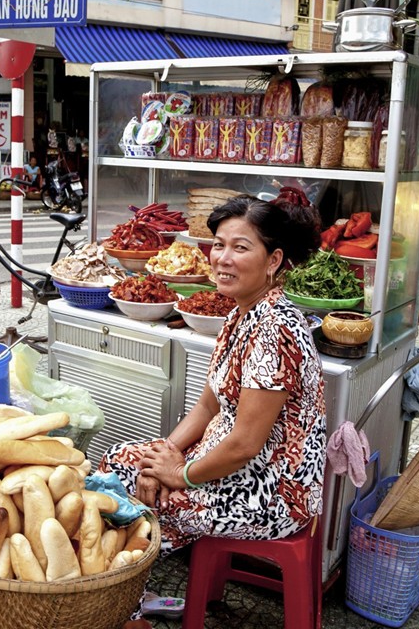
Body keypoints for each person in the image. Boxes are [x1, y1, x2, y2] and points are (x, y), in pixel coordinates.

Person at [100, 195, 327, 615]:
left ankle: (120, 608)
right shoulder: (241, 313)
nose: (222, 258)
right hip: (227, 467)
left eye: (240, 248)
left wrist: (180, 474)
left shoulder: (275, 329)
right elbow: (207, 407)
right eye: (218, 244)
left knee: (135, 503)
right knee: (120, 463)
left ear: (274, 259)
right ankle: (123, 596)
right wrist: (161, 458)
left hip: (272, 491)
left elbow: (244, 443)